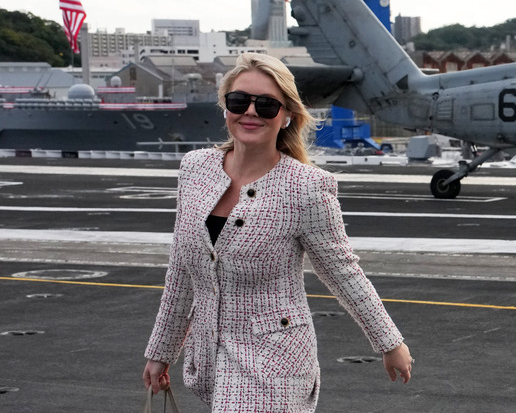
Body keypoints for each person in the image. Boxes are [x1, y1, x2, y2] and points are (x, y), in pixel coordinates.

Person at [142, 53, 412, 411]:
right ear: (225, 107)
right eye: (239, 101)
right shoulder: (195, 169)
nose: (251, 112)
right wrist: (162, 352)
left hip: (277, 364)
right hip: (211, 360)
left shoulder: (307, 187)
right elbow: (181, 270)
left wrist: (390, 343)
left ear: (286, 116)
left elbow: (343, 270)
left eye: (267, 105)